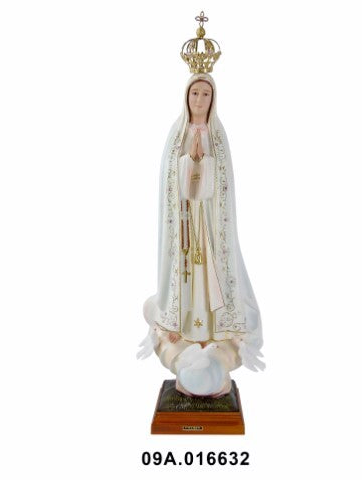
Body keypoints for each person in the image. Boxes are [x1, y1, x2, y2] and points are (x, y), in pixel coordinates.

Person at [139, 73, 264, 397]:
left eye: (205, 94)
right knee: (186, 277)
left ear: (213, 99)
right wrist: (188, 161)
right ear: (186, 96)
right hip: (184, 222)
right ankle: (183, 333)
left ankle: (212, 334)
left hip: (208, 223)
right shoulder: (177, 133)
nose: (199, 100)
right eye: (194, 93)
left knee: (209, 275)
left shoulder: (217, 136)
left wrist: (202, 161)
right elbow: (171, 181)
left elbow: (220, 186)